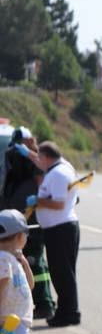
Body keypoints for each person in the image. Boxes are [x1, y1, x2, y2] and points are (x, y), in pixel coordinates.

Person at [1, 127, 56, 319]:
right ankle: (35, 302)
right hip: (15, 222)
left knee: (36, 263)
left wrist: (32, 151)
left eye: (20, 145)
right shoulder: (13, 164)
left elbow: (46, 174)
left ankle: (45, 303)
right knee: (27, 263)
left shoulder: (37, 163)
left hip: (31, 223)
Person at [27, 141, 80, 327]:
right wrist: (28, 152)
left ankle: (68, 313)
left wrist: (38, 201)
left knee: (62, 273)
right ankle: (67, 311)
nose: (38, 161)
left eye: (40, 157)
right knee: (62, 273)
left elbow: (58, 203)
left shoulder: (58, 174)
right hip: (59, 227)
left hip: (61, 228)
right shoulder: (60, 167)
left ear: (47, 157)